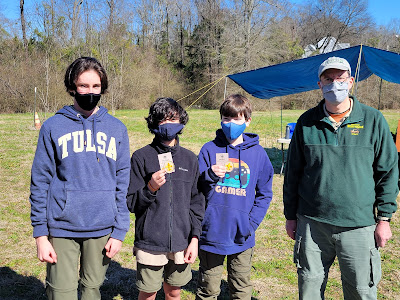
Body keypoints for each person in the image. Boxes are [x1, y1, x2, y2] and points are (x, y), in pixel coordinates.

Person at [283, 56, 399, 299]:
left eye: (340, 78)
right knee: (310, 289)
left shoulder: (373, 120)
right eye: (328, 79)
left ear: (351, 81)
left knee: (361, 291)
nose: (334, 84)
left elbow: (388, 172)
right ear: (319, 84)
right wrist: (290, 216)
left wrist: (385, 218)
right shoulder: (307, 122)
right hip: (312, 224)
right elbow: (292, 173)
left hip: (359, 225)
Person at [29, 57, 131, 300]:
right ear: (72, 87)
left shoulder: (117, 128)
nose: (90, 92)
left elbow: (122, 182)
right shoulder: (53, 126)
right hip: (62, 226)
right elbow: (40, 181)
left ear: (102, 88)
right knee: (61, 292)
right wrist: (40, 235)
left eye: (95, 86)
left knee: (91, 289)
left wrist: (119, 231)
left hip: (102, 227)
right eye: (83, 86)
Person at [196, 94, 274, 299]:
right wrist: (210, 175)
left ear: (248, 120)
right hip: (211, 232)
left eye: (237, 119)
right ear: (221, 119)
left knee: (240, 289)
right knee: (208, 289)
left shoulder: (258, 154)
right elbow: (196, 190)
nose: (231, 124)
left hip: (242, 235)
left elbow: (264, 194)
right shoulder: (208, 149)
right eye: (226, 119)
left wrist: (251, 223)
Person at [126, 97, 205, 300]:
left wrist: (194, 238)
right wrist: (150, 187)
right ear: (153, 124)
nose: (168, 125)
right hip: (150, 242)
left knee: (174, 291)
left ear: (181, 122)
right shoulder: (141, 157)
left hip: (182, 241)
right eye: (162, 120)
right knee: (148, 291)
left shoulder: (190, 159)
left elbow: (196, 202)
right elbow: (132, 203)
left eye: (173, 119)